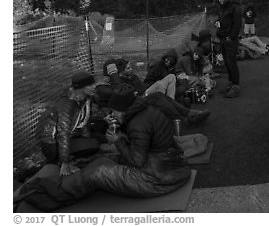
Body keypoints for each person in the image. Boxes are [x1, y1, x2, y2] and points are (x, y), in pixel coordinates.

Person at [15, 88, 191, 212]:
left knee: (99, 171)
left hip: (157, 178)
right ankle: (73, 173)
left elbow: (137, 161)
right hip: (168, 166)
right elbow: (142, 145)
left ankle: (46, 193)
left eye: (114, 111)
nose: (112, 114)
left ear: (123, 109)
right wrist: (121, 137)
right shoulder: (145, 110)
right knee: (107, 157)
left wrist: (118, 140)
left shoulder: (138, 124)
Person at [102, 57, 209, 126]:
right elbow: (124, 91)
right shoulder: (119, 82)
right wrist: (113, 73)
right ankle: (184, 117)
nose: (131, 69)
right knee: (159, 89)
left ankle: (184, 112)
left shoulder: (132, 76)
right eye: (128, 68)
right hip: (139, 97)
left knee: (170, 77)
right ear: (120, 71)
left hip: (144, 93)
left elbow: (143, 85)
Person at [37, 71, 100, 176]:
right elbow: (62, 133)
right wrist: (65, 161)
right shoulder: (67, 104)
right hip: (52, 145)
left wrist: (86, 140)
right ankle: (57, 161)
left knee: (94, 143)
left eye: (93, 83)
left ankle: (69, 157)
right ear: (80, 87)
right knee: (93, 145)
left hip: (67, 138)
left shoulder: (85, 98)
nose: (94, 86)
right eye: (90, 85)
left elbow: (84, 121)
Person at [215, 0, 243, 98]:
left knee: (232, 63)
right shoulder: (222, 8)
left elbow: (237, 24)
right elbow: (221, 19)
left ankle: (235, 87)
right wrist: (217, 22)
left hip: (230, 40)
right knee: (227, 63)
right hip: (222, 38)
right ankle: (230, 84)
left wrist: (231, 37)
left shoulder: (235, 7)